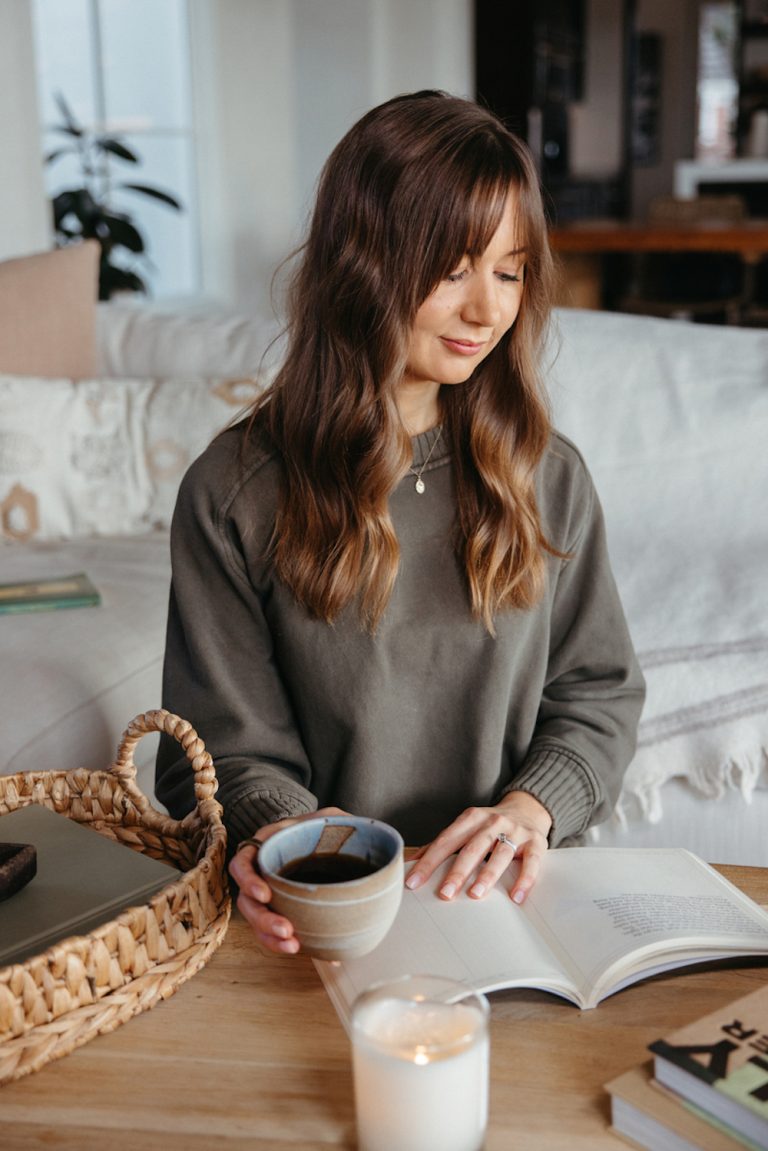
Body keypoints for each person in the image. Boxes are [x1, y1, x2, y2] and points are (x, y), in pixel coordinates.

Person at [156, 90, 645, 956]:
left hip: (514, 904)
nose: (488, 310)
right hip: (324, 911)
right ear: (364, 261)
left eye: (511, 269)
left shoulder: (549, 475)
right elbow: (219, 750)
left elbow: (597, 694)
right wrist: (287, 832)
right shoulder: (232, 493)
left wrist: (531, 809)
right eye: (454, 267)